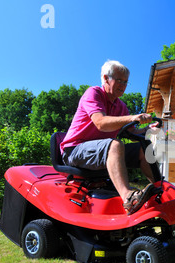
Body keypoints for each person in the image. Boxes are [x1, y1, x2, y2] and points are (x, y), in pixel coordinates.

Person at [60, 60, 159, 214]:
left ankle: (160, 190)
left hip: (102, 152)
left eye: (126, 82)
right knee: (115, 144)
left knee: (143, 148)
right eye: (119, 80)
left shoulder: (121, 107)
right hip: (75, 150)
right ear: (106, 79)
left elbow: (132, 133)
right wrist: (133, 117)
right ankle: (128, 197)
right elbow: (100, 123)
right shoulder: (93, 93)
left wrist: (148, 129)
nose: (123, 85)